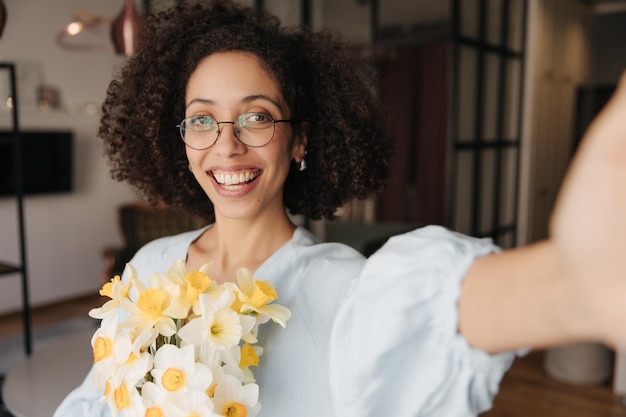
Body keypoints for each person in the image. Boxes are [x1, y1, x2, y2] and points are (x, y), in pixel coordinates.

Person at [54, 1, 626, 416]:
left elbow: (430, 320)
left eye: (256, 116)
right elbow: (98, 399)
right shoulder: (150, 268)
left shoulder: (342, 285)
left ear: (300, 140)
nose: (225, 144)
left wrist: (570, 282)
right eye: (202, 119)